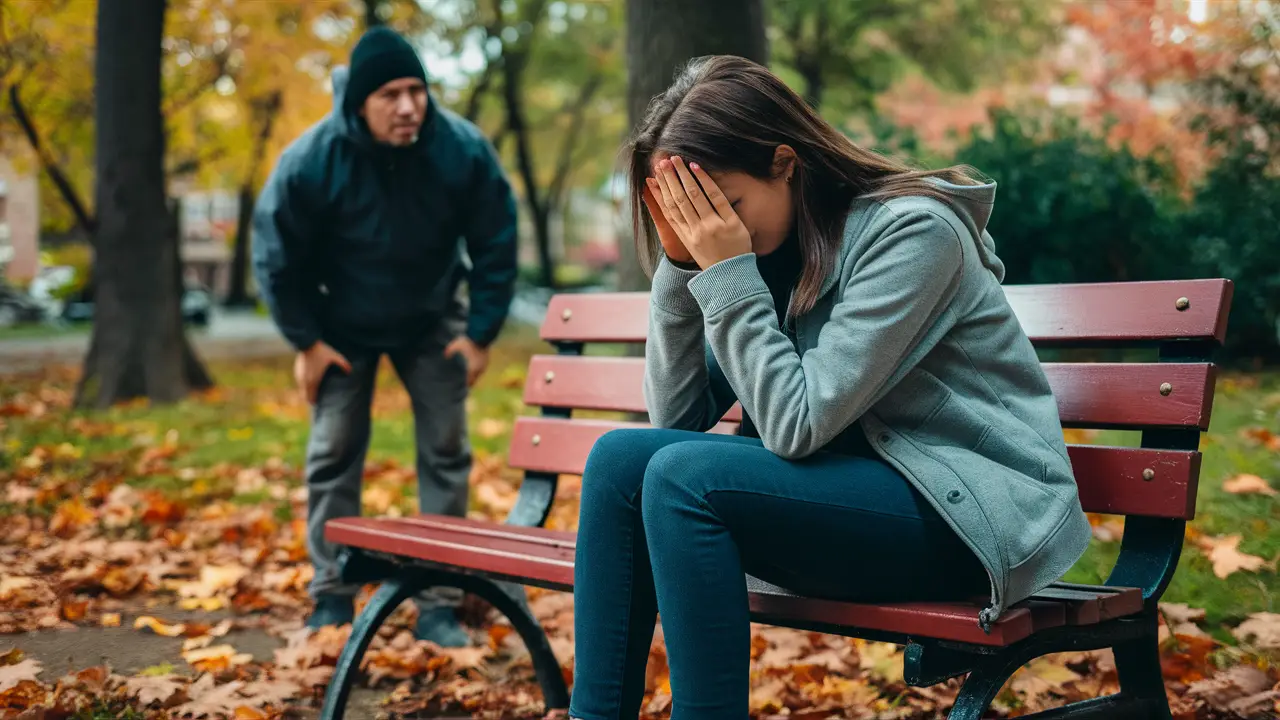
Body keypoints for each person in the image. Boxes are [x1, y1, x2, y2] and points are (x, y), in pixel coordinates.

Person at [568, 55, 1092, 719]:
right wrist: (679, 266)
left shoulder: (914, 236)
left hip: (964, 518)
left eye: (723, 208)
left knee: (683, 477)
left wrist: (725, 275)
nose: (713, 234)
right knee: (620, 461)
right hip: (847, 501)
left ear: (785, 164)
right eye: (692, 219)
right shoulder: (758, 251)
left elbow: (794, 424)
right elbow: (676, 419)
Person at [251, 27, 518, 647]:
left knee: (446, 450)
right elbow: (275, 256)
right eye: (390, 95)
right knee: (333, 452)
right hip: (341, 326)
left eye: (416, 91)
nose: (407, 107)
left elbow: (497, 239)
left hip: (432, 322)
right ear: (359, 103)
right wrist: (306, 342)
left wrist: (480, 334)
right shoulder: (311, 160)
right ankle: (331, 595)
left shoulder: (461, 149)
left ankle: (439, 602)